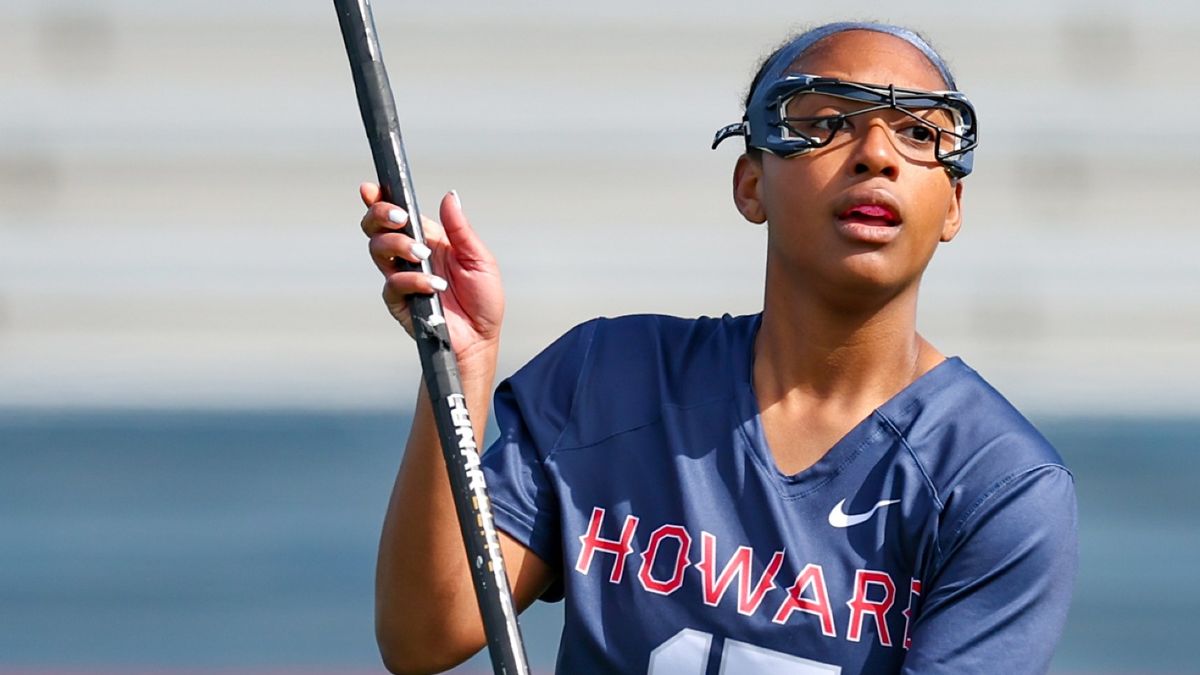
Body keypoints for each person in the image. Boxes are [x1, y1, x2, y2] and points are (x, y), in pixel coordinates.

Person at [359, 21, 1078, 675]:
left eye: (918, 134)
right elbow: (423, 635)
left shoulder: (1000, 486)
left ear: (953, 206)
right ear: (750, 183)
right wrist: (462, 363)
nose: (876, 155)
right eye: (826, 122)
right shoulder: (605, 378)